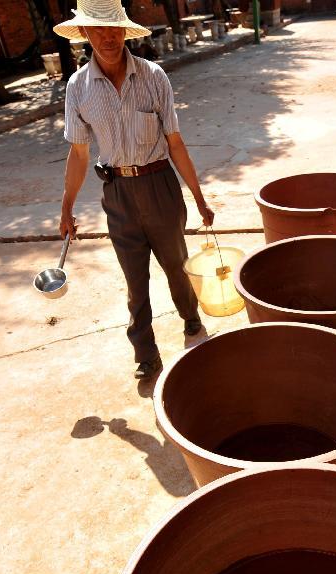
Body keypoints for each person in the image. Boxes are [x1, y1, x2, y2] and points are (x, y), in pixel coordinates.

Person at [55, 0, 214, 379]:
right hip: (117, 193)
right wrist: (66, 208)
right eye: (99, 31)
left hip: (160, 185)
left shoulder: (154, 76)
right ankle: (145, 351)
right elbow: (79, 153)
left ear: (125, 31)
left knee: (177, 264)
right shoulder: (78, 88)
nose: (108, 38)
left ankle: (191, 319)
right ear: (85, 35)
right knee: (134, 276)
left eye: (114, 30)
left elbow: (175, 142)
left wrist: (199, 197)